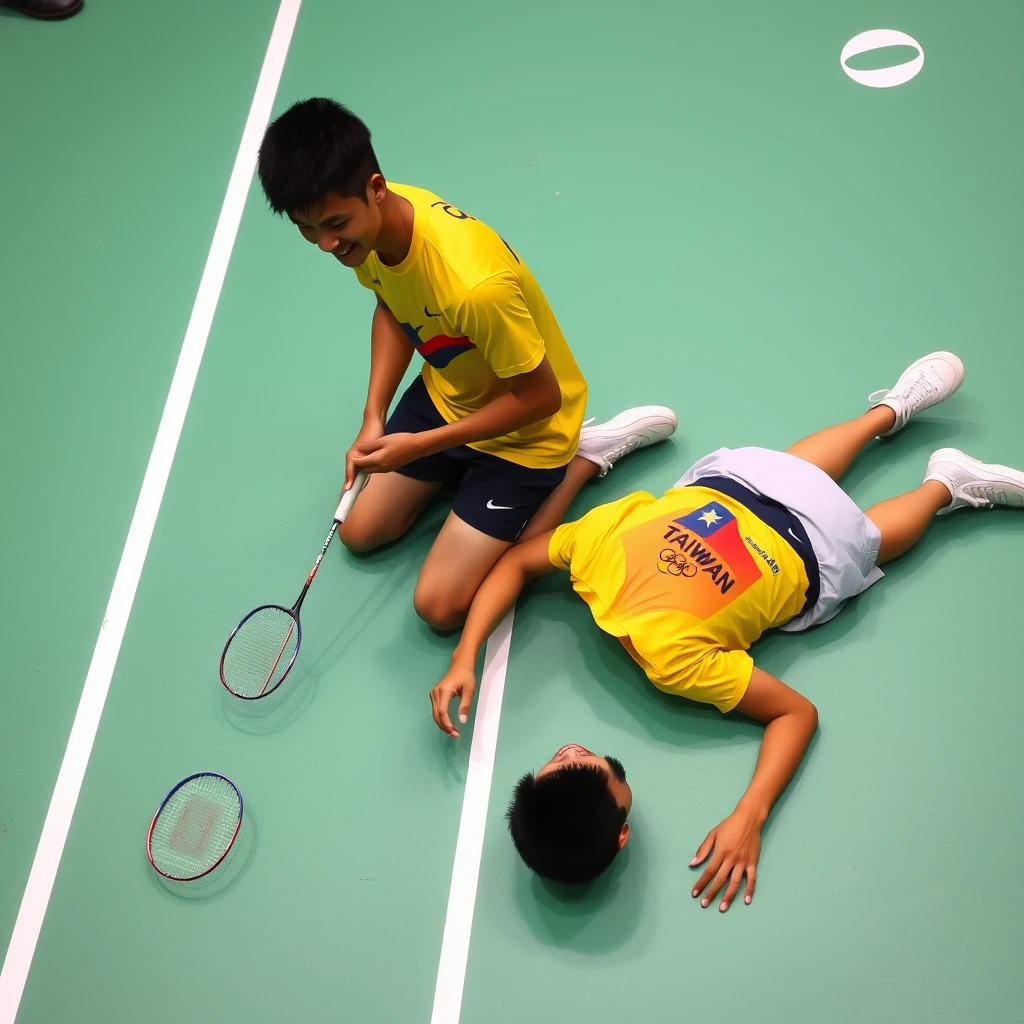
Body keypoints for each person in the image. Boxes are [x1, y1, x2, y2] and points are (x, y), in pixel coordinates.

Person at [429, 351, 1024, 908]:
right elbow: (519, 560)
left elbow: (796, 714)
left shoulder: (674, 662)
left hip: (798, 537)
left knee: (860, 537)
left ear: (622, 834)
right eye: (567, 762)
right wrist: (466, 653)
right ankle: (913, 440)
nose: (569, 753)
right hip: (750, 490)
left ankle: (933, 470)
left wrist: (752, 812)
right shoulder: (594, 554)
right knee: (799, 481)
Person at [256, 99, 677, 629]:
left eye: (335, 225)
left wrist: (423, 444)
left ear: (376, 188)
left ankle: (580, 463)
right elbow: (391, 304)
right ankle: (463, 483)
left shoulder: (472, 284)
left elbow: (539, 397)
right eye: (308, 228)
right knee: (359, 533)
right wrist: (374, 416)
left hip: (529, 429)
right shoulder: (371, 232)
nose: (325, 244)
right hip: (448, 394)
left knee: (440, 606)